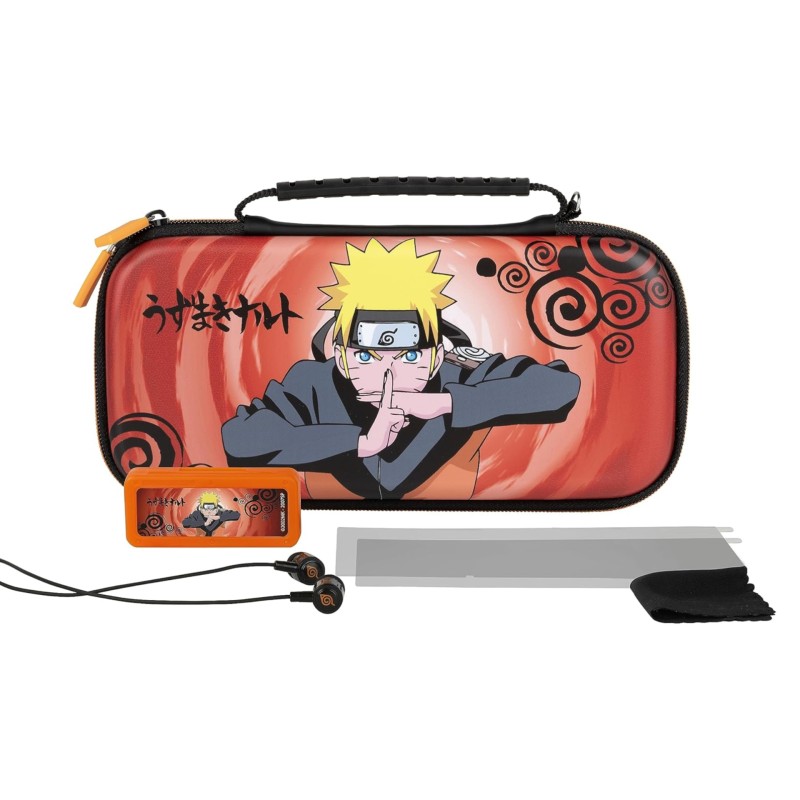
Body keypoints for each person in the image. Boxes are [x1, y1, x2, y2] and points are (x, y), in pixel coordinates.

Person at [222, 238, 580, 500]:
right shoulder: (312, 383)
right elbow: (240, 439)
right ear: (342, 357)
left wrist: (446, 403)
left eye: (408, 357)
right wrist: (360, 443)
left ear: (436, 356)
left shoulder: (461, 374)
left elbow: (559, 388)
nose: (388, 372)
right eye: (367, 357)